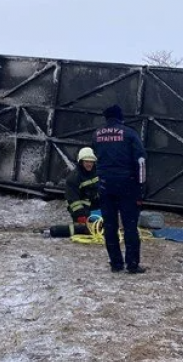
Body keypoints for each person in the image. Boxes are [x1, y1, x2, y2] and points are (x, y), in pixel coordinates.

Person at [92, 105, 147, 274]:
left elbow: (95, 159)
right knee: (130, 226)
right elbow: (141, 162)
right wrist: (141, 187)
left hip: (105, 185)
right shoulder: (129, 133)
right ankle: (132, 264)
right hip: (127, 185)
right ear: (120, 116)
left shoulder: (96, 135)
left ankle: (116, 263)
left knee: (110, 226)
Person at [65, 147, 100, 224]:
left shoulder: (95, 173)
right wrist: (80, 215)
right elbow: (74, 201)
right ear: (81, 162)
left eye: (91, 161)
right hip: (80, 210)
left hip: (93, 206)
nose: (89, 164)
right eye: (86, 161)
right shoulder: (73, 178)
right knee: (86, 230)